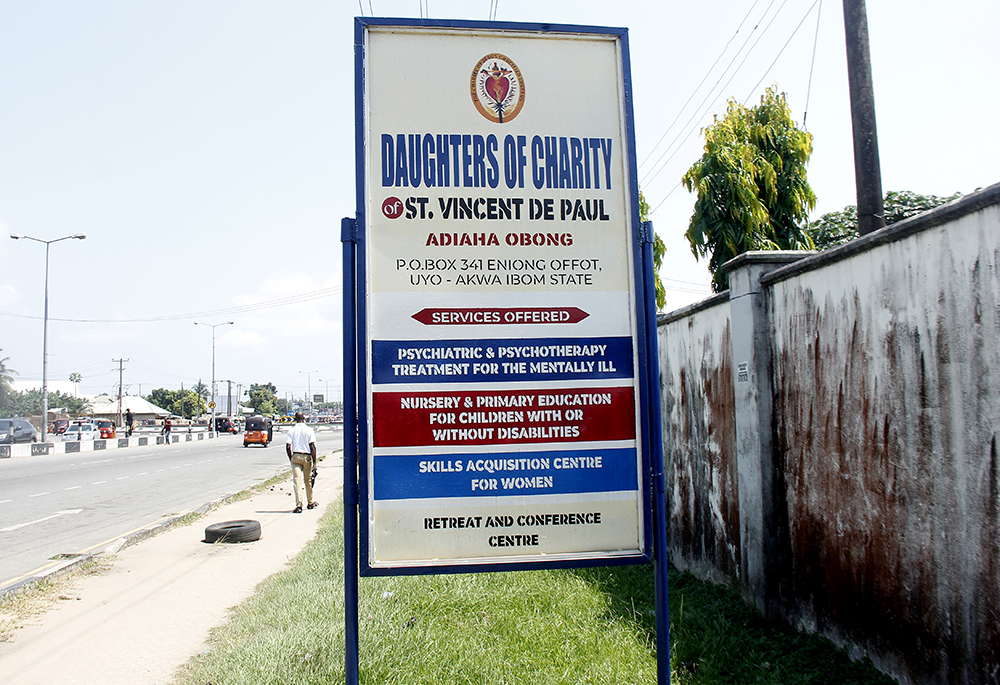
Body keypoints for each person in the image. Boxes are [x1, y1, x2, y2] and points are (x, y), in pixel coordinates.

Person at [285, 411, 318, 513]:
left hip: (296, 456)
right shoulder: (309, 430)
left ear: (295, 419)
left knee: (297, 481)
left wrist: (291, 458)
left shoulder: (291, 431)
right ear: (304, 418)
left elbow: (288, 446)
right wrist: (315, 463)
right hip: (307, 457)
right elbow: (312, 447)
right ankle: (310, 502)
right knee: (308, 481)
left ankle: (299, 505)